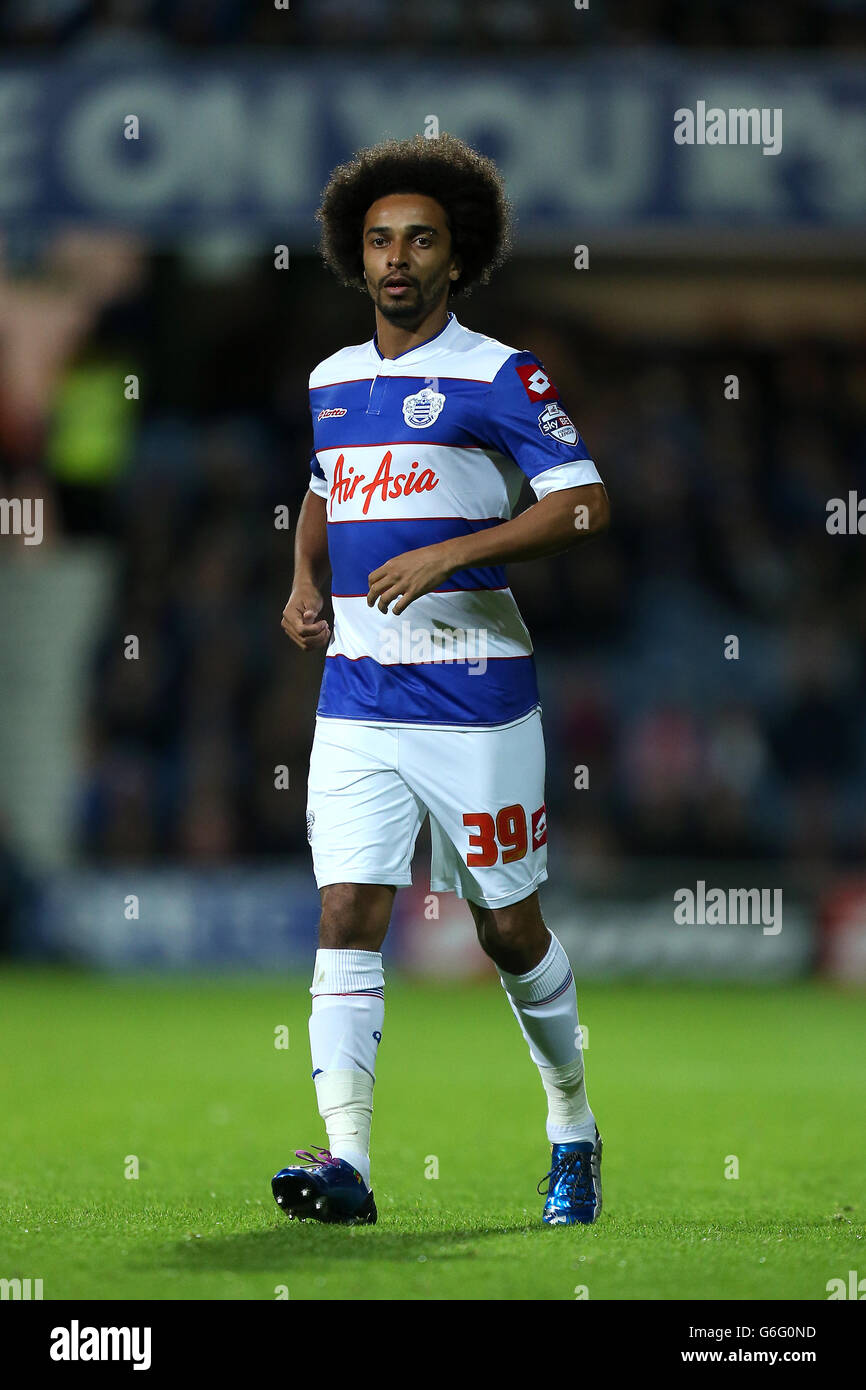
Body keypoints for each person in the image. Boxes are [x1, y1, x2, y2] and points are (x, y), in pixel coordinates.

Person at [272, 134, 609, 1226]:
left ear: (454, 260)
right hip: (358, 693)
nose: (396, 259)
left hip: (475, 696)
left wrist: (453, 552)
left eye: (419, 240)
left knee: (506, 930)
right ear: (354, 257)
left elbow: (583, 503)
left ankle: (570, 1123)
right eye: (378, 241)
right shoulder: (330, 380)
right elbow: (324, 488)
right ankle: (348, 1164)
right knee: (345, 909)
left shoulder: (497, 374)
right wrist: (302, 580)